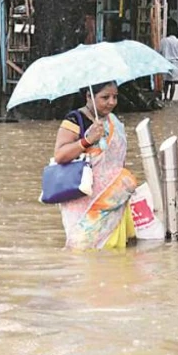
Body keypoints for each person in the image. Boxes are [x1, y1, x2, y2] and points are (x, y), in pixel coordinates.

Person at [53, 81, 137, 250]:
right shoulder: (75, 120)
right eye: (105, 97)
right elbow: (60, 155)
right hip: (85, 199)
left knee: (117, 256)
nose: (112, 102)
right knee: (83, 250)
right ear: (89, 96)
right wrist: (87, 140)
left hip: (115, 196)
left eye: (115, 97)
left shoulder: (113, 122)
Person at [159, 20, 178, 102]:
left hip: (165, 62)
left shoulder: (163, 41)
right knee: (173, 82)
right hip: (175, 63)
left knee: (166, 81)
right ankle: (171, 99)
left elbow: (160, 52)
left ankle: (165, 97)